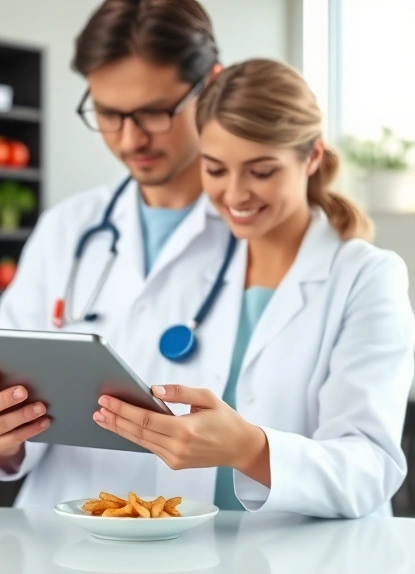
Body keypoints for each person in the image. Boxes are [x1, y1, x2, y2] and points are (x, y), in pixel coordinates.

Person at [91, 58, 414, 518]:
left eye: (261, 172)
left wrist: (250, 450)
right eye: (216, 169)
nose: (236, 194)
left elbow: (371, 467)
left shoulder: (366, 276)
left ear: (312, 157)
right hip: (196, 549)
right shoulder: (194, 263)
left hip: (317, 557)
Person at [0, 0, 233, 507]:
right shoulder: (67, 228)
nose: (130, 138)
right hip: (60, 535)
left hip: (201, 533)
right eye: (107, 113)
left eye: (154, 112)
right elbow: (13, 414)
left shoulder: (262, 236)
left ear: (210, 86)